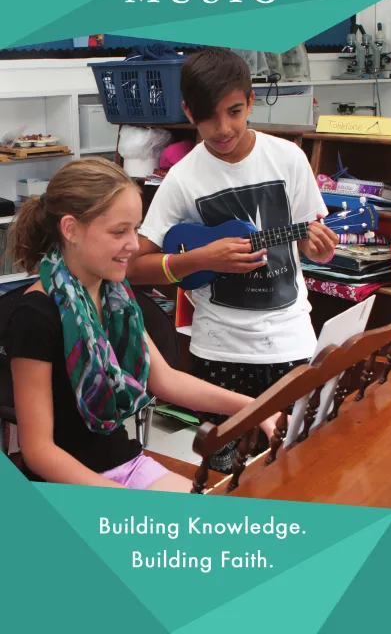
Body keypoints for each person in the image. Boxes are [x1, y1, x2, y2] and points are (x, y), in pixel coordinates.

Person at [6, 157, 274, 493]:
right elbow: (39, 452)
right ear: (70, 229)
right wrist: (125, 503)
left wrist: (255, 407)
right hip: (67, 484)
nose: (134, 245)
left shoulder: (114, 294)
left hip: (125, 464)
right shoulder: (35, 315)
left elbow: (165, 381)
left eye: (136, 228)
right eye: (120, 231)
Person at [129, 48, 338, 473]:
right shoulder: (184, 177)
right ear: (188, 111)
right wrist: (199, 259)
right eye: (208, 116)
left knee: (301, 464)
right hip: (218, 351)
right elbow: (134, 267)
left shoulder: (288, 159)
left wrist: (320, 249)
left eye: (235, 111)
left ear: (251, 100)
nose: (223, 128)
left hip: (292, 344)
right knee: (223, 471)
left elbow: (314, 243)